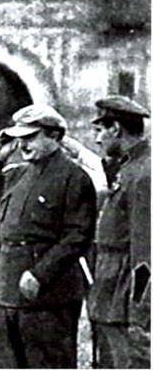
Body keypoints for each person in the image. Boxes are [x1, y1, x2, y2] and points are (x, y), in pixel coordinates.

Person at [0, 104, 97, 368]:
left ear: (55, 136)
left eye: (31, 137)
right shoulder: (17, 173)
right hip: (11, 294)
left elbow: (77, 236)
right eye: (19, 138)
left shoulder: (74, 177)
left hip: (51, 297)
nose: (23, 145)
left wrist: (41, 273)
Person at [87, 96, 150, 369]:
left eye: (100, 130)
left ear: (116, 129)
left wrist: (140, 313)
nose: (97, 139)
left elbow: (145, 254)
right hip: (111, 295)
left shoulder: (143, 175)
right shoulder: (130, 168)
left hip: (123, 302)